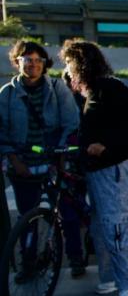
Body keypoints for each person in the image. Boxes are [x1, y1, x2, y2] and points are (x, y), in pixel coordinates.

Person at [59, 40, 128, 296]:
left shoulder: (109, 89)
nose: (67, 70)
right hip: (96, 170)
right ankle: (108, 278)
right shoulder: (90, 92)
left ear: (82, 64)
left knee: (115, 228)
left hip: (112, 169)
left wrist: (107, 146)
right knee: (100, 226)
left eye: (70, 64)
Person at [0, 40, 80, 281]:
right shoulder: (8, 93)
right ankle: (28, 262)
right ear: (18, 62)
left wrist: (62, 155)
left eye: (38, 60)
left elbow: (71, 123)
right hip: (22, 165)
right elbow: (2, 131)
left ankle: (76, 257)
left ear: (45, 63)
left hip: (54, 160)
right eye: (27, 60)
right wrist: (15, 160)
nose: (33, 64)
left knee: (67, 212)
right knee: (27, 217)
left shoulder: (57, 88)